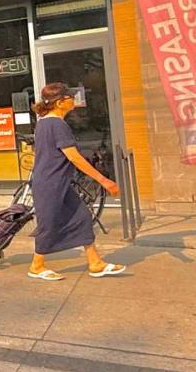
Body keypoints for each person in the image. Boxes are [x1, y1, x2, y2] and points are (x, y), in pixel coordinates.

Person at [27, 82, 124, 281]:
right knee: (49, 224)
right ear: (60, 102)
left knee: (82, 217)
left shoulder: (43, 123)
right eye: (70, 97)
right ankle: (36, 266)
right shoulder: (57, 125)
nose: (74, 100)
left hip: (56, 182)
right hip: (50, 184)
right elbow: (74, 157)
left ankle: (95, 263)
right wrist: (104, 180)